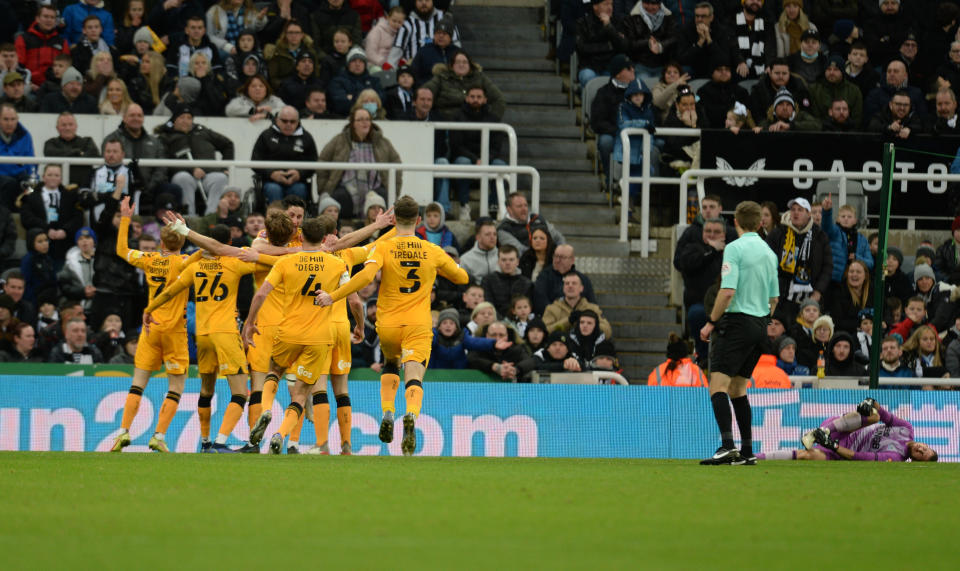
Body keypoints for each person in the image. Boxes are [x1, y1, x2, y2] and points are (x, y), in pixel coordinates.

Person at [315, 195, 470, 455]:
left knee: (390, 363)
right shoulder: (431, 250)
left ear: (395, 219)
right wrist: (442, 268)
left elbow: (364, 277)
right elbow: (462, 277)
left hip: (388, 325)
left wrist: (333, 296)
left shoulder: (384, 248)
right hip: (418, 324)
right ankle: (410, 414)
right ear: (419, 221)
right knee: (414, 374)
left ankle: (388, 411)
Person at [143, 221, 276, 453]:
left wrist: (149, 309)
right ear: (230, 243)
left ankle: (205, 442)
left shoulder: (196, 267)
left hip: (202, 336)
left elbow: (171, 290)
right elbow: (271, 264)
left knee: (206, 390)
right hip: (224, 333)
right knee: (240, 392)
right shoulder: (234, 262)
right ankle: (221, 442)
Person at [240, 215, 347, 454]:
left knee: (273, 372)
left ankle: (266, 409)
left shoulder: (286, 262)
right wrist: (358, 324)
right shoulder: (337, 264)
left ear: (301, 236)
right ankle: (282, 435)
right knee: (300, 394)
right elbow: (355, 298)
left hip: (287, 331)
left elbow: (259, 295)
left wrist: (249, 323)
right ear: (323, 238)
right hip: (319, 338)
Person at [109, 197, 201, 453]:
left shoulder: (149, 259)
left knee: (138, 383)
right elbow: (209, 249)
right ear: (181, 242)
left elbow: (121, 250)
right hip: (175, 332)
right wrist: (186, 229)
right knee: (176, 387)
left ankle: (123, 432)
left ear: (161, 242)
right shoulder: (184, 262)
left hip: (150, 330)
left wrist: (126, 218)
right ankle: (158, 435)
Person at [699, 200, 779, 466]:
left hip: (736, 322)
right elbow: (775, 298)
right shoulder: (769, 253)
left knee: (718, 386)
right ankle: (747, 451)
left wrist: (711, 321)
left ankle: (727, 446)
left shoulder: (734, 248)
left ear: (735, 222)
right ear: (760, 223)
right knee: (738, 388)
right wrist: (763, 319)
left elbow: (728, 291)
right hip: (760, 325)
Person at [758, 398, 937, 462]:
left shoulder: (895, 457)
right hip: (845, 427)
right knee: (874, 415)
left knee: (806, 456)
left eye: (922, 455)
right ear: (927, 445)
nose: (921, 449)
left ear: (915, 460)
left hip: (839, 449)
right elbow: (883, 414)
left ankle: (754, 457)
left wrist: (833, 446)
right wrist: (870, 402)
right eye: (926, 449)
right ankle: (821, 431)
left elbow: (857, 457)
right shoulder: (906, 428)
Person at [315, 106, 401, 219]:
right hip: (344, 188)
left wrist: (394, 191)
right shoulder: (339, 140)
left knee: (383, 196)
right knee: (339, 196)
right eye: (360, 119)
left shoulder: (383, 142)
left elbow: (397, 164)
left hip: (375, 187)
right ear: (353, 123)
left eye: (367, 119)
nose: (365, 122)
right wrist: (324, 188)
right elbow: (323, 161)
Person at [154, 104, 234, 216]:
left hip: (208, 174)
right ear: (174, 120)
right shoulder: (166, 137)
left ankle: (211, 215)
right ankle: (189, 217)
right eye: (182, 117)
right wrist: (191, 170)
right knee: (183, 178)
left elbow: (228, 144)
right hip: (182, 174)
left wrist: (225, 168)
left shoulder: (203, 131)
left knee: (220, 178)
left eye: (189, 118)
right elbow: (165, 161)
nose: (185, 121)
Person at [765, 197, 832, 322]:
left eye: (800, 210)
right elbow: (766, 261)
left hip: (810, 298)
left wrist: (818, 292)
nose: (796, 213)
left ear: (808, 214)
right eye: (793, 209)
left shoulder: (819, 235)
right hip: (782, 297)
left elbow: (827, 266)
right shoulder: (778, 232)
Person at [449, 85, 508, 220]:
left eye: (479, 97)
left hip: (488, 158)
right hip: (466, 157)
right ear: (467, 98)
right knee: (463, 162)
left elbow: (496, 146)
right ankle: (464, 205)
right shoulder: (457, 117)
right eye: (472, 97)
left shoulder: (493, 118)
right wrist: (476, 159)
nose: (476, 100)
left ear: (485, 99)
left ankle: (494, 206)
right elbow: (456, 145)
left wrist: (485, 158)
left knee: (501, 166)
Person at [675, 217, 726, 366]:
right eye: (708, 231)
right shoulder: (692, 248)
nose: (711, 235)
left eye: (716, 232)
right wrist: (712, 250)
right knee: (696, 314)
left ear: (723, 234)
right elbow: (688, 264)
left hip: (726, 305)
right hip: (700, 303)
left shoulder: (731, 252)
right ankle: (703, 357)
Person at [251, 106, 319, 203]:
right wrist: (271, 173)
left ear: (298, 121)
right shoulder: (266, 135)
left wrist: (300, 173)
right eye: (284, 121)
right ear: (277, 120)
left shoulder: (306, 137)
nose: (288, 124)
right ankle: (277, 218)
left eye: (292, 122)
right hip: (271, 181)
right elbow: (255, 160)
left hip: (298, 182)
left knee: (299, 189)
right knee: (274, 189)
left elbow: (314, 162)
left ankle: (295, 218)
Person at [423, 50, 505, 121]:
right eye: (457, 62)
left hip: (476, 122)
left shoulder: (480, 77)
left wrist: (491, 120)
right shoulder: (442, 77)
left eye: (465, 62)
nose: (461, 65)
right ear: (452, 65)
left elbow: (498, 99)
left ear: (470, 64)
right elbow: (424, 93)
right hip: (446, 123)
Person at [590, 54, 634, 185]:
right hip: (614, 134)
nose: (633, 70)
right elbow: (597, 122)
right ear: (618, 73)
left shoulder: (639, 91)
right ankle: (610, 180)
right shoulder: (603, 93)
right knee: (605, 142)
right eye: (628, 68)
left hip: (636, 134)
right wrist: (619, 131)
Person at [388, 0, 460, 67]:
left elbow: (456, 45)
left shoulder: (445, 19)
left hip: (441, 69)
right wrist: (389, 68)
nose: (424, 3)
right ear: (415, 2)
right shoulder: (407, 23)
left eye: (427, 0)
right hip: (415, 71)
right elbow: (396, 50)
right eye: (420, 0)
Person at [14, 4, 69, 90]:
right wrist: (28, 83)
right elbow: (18, 67)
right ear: (37, 19)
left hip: (55, 86)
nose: (49, 20)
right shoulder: (24, 39)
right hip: (30, 85)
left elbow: (66, 68)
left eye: (52, 17)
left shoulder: (62, 42)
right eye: (46, 16)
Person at [575, 0, 628, 88]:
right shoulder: (583, 23)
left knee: (617, 80)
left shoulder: (616, 22)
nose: (610, 7)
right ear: (595, 6)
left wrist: (609, 26)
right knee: (589, 78)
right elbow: (582, 48)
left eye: (611, 4)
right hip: (589, 66)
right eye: (606, 4)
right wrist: (608, 46)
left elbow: (624, 46)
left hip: (610, 66)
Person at [542, 272, 613, 338]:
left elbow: (607, 332)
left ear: (581, 288)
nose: (570, 286)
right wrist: (568, 321)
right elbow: (544, 333)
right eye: (567, 283)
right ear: (563, 288)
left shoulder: (592, 308)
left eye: (574, 283)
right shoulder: (551, 309)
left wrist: (589, 323)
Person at [533, 244, 597, 314]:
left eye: (562, 257)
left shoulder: (583, 279)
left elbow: (592, 304)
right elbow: (540, 301)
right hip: (552, 317)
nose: (557, 260)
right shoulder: (544, 276)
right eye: (555, 256)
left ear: (572, 260)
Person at [43, 112, 99, 188]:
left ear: (76, 126)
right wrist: (77, 152)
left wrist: (65, 154)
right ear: (57, 128)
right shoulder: (50, 143)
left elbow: (95, 154)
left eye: (70, 124)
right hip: (58, 188)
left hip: (84, 187)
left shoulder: (87, 141)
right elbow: (49, 153)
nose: (67, 128)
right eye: (64, 125)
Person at [808, 55, 863, 128]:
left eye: (836, 69)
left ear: (842, 72)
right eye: (829, 69)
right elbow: (813, 116)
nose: (831, 72)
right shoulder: (814, 89)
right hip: (821, 133)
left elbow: (857, 118)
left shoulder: (854, 90)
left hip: (847, 134)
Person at [327, 47, 383, 117]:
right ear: (348, 64)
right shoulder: (337, 82)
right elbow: (340, 104)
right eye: (354, 61)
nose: (357, 64)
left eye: (361, 61)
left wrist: (352, 97)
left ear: (365, 65)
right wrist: (367, 101)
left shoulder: (375, 81)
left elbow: (381, 100)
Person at [480, 245, 533, 317]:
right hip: (495, 322)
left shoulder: (527, 283)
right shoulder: (488, 281)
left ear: (517, 262)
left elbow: (528, 308)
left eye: (511, 260)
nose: (507, 263)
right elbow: (489, 306)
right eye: (504, 260)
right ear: (498, 261)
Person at [165, 16, 223, 80]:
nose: (196, 31)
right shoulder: (177, 46)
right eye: (193, 28)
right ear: (186, 30)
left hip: (207, 85)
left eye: (199, 28)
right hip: (183, 84)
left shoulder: (211, 47)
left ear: (204, 31)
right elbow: (171, 69)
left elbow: (217, 70)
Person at [0, 104, 34, 211]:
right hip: (3, 177)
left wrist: (31, 179)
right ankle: (5, 219)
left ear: (17, 119)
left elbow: (31, 161)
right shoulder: (24, 134)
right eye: (5, 119)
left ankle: (26, 216)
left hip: (19, 176)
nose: (9, 123)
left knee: (31, 188)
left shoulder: (25, 135)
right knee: (10, 183)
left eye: (12, 119)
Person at [459, 218, 499, 283]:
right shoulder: (465, 260)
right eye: (488, 234)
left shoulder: (503, 257)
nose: (492, 237)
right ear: (478, 237)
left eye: (495, 234)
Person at [365, 6, 405, 71]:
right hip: (375, 65)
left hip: (393, 66)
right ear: (388, 18)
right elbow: (370, 53)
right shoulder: (377, 31)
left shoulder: (402, 34)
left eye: (399, 22)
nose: (396, 24)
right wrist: (383, 63)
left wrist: (401, 60)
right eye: (394, 21)